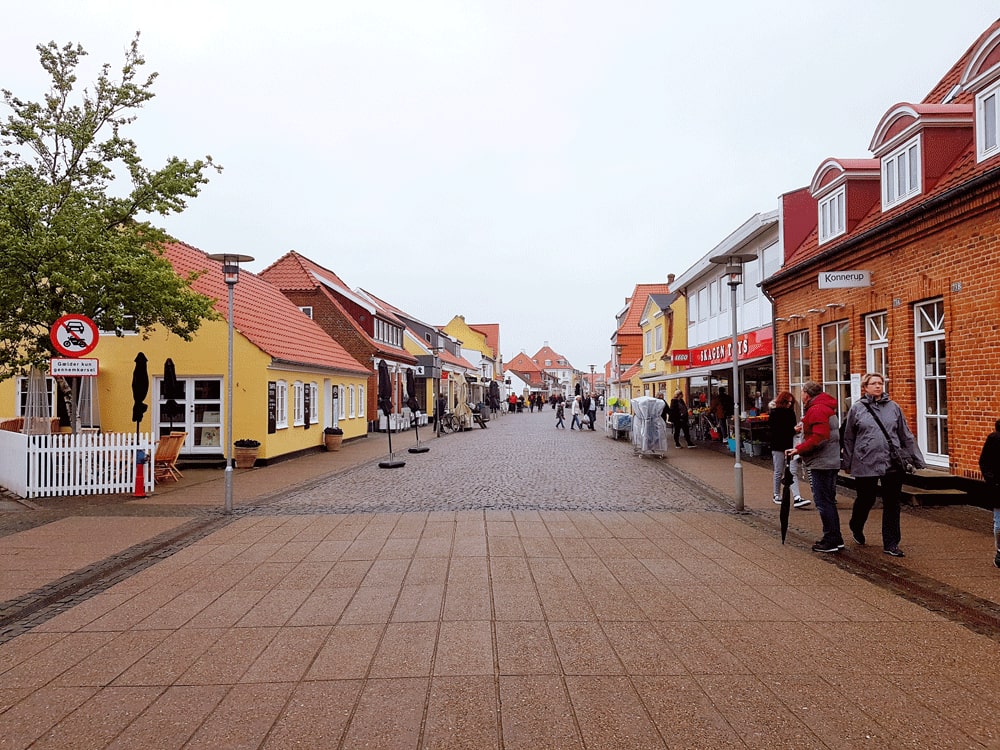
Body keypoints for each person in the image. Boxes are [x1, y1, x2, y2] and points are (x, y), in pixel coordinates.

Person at [842, 372, 925, 558]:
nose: (878, 386)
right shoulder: (857, 409)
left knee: (892, 503)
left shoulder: (894, 407)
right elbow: (848, 438)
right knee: (866, 498)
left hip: (892, 462)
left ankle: (891, 543)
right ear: (865, 387)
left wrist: (917, 459)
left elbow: (906, 435)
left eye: (880, 383)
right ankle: (856, 525)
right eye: (874, 383)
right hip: (865, 461)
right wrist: (847, 462)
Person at [786, 381, 844, 553]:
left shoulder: (817, 409)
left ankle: (831, 540)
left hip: (822, 462)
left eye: (802, 391)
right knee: (827, 501)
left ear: (807, 394)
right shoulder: (824, 407)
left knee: (823, 502)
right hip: (829, 460)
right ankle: (836, 538)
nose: (800, 394)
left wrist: (798, 449)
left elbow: (820, 437)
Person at [768, 391, 809, 508]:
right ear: (782, 401)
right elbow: (776, 431)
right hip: (778, 446)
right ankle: (776, 494)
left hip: (790, 445)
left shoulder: (790, 413)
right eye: (788, 402)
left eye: (791, 402)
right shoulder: (775, 413)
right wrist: (794, 430)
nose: (789, 404)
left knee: (792, 471)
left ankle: (797, 497)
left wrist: (795, 429)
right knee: (778, 470)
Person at [978, 419, 1000, 568]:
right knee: (999, 524)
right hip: (998, 487)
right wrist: (992, 481)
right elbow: (984, 462)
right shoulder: (994, 439)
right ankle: (999, 551)